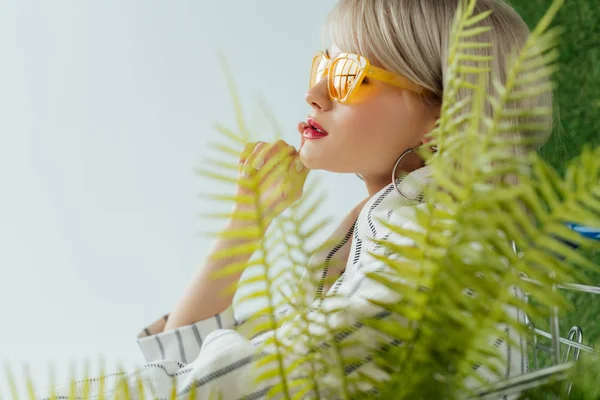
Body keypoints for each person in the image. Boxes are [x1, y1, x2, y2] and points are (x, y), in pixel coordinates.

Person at [36, 0, 551, 398]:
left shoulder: (424, 243)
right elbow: (194, 361)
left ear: (445, 118)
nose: (315, 93)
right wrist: (248, 222)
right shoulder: (383, 232)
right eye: (321, 66)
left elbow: (229, 384)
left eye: (348, 74)